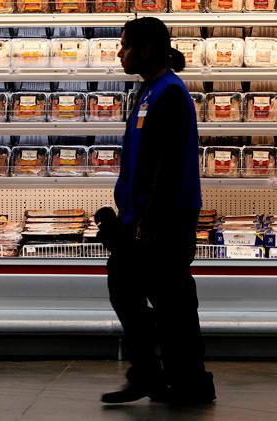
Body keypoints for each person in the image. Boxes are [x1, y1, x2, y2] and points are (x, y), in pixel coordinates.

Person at [95, 17, 216, 405]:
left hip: (164, 218)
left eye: (125, 45)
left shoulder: (169, 94)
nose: (120, 52)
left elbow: (167, 166)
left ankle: (181, 380)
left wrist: (149, 221)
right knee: (136, 293)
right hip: (143, 215)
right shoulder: (149, 90)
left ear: (146, 49)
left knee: (169, 302)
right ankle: (160, 374)